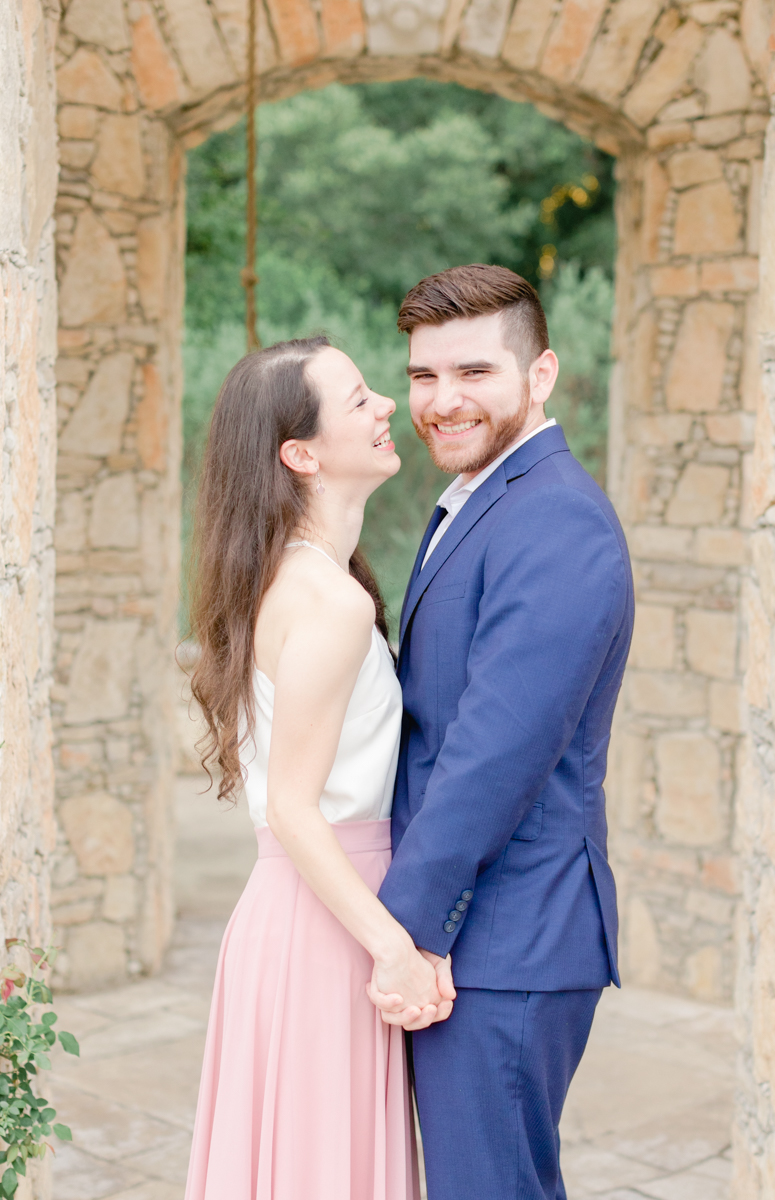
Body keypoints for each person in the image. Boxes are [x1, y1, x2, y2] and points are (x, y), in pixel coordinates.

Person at [374, 264, 635, 1200]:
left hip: (505, 942)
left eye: (474, 373)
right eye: (422, 376)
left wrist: (399, 935)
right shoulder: (486, 500)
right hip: (483, 940)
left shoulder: (556, 519)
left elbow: (492, 758)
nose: (441, 402)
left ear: (542, 374)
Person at [182, 336, 452, 1200]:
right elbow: (295, 810)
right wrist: (395, 951)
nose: (385, 409)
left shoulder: (301, 580)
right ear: (300, 454)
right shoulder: (328, 601)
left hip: (303, 912)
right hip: (328, 923)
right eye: (361, 398)